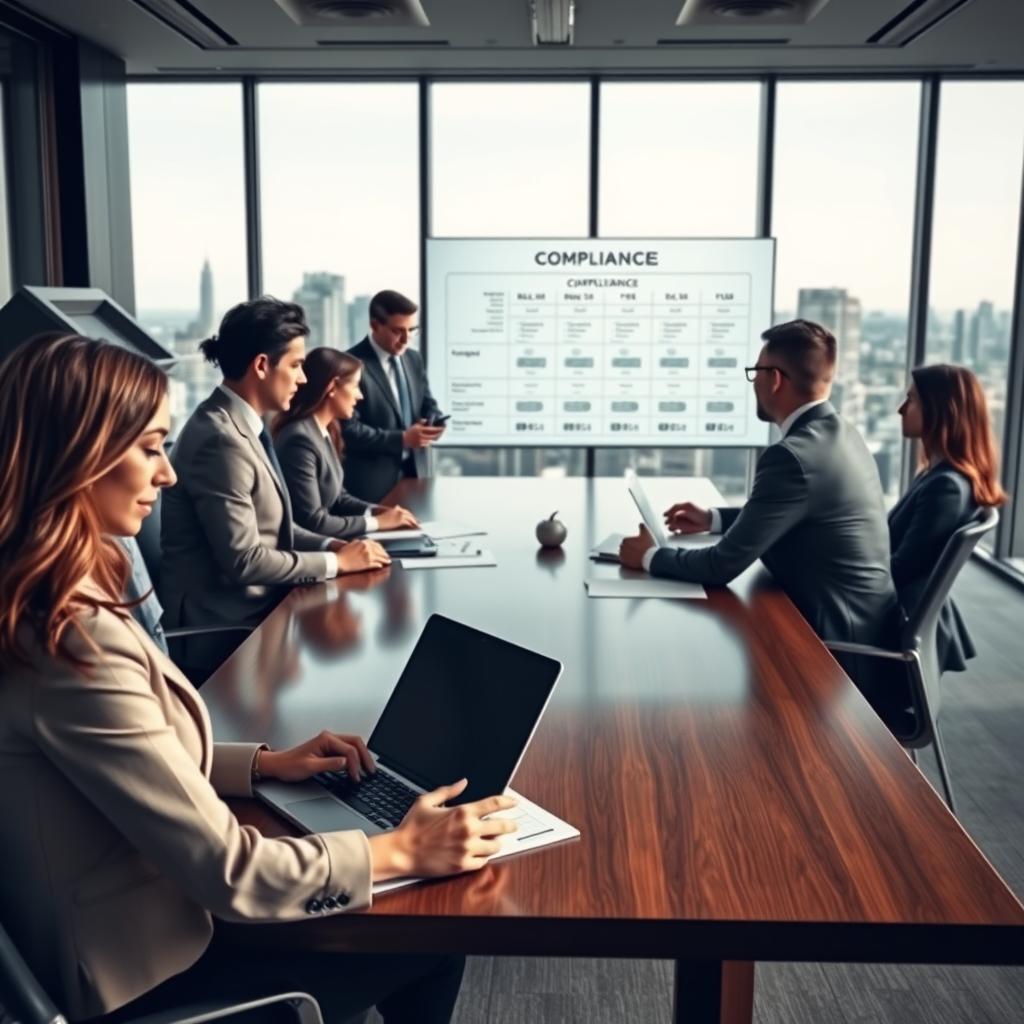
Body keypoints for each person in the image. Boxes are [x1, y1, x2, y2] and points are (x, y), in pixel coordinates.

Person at [0, 334, 517, 1024]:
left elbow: (130, 759)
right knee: (432, 936)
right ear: (79, 457)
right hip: (144, 973)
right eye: (151, 448)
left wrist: (268, 764)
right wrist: (401, 848)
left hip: (143, 918)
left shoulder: (53, 596)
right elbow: (229, 874)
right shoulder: (71, 640)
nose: (168, 474)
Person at [619, 319, 902, 718]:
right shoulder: (839, 434)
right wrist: (715, 518)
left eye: (755, 372)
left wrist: (648, 557)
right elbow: (799, 513)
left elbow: (720, 566)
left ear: (774, 379)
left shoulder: (792, 456)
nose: (752, 382)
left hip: (836, 653)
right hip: (865, 628)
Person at [159, 298, 391, 644]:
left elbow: (277, 529)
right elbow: (246, 561)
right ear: (263, 365)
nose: (304, 378)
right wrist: (336, 564)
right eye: (296, 365)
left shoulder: (243, 424)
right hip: (227, 625)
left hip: (259, 608)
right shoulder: (220, 440)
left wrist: (335, 546)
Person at [891, 363, 1008, 672]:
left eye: (911, 399)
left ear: (942, 411)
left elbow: (902, 569)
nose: (901, 409)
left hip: (892, 621)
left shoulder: (946, 487)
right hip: (902, 610)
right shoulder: (938, 475)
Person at [273, 346, 419, 539]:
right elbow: (313, 521)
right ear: (332, 387)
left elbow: (339, 498)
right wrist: (378, 523)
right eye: (355, 385)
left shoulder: (326, 430)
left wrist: (379, 512)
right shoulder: (299, 440)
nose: (360, 395)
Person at [341, 290, 446, 503]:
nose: (406, 339)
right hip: (372, 484)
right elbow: (349, 431)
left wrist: (434, 421)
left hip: (417, 474)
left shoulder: (413, 359)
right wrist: (403, 439)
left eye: (412, 330)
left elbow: (427, 403)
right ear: (375, 325)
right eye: (398, 331)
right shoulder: (350, 364)